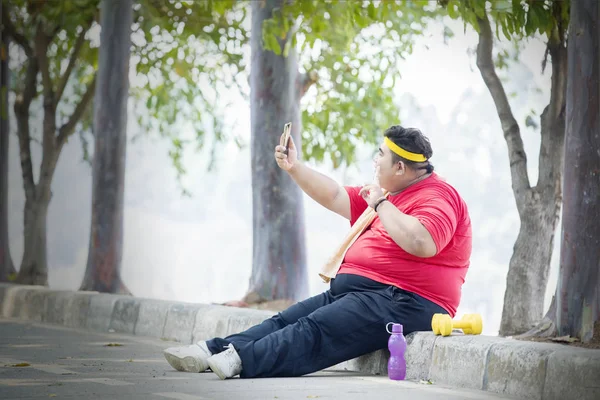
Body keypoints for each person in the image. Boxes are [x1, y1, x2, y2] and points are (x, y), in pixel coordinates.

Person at [163, 125, 472, 380]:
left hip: (405, 300)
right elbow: (336, 194)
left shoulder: (437, 196)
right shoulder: (391, 195)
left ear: (401, 167)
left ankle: (242, 360)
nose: (375, 160)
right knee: (285, 320)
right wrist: (294, 168)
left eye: (381, 154)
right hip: (363, 291)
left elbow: (422, 242)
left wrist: (380, 203)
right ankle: (213, 350)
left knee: (314, 329)